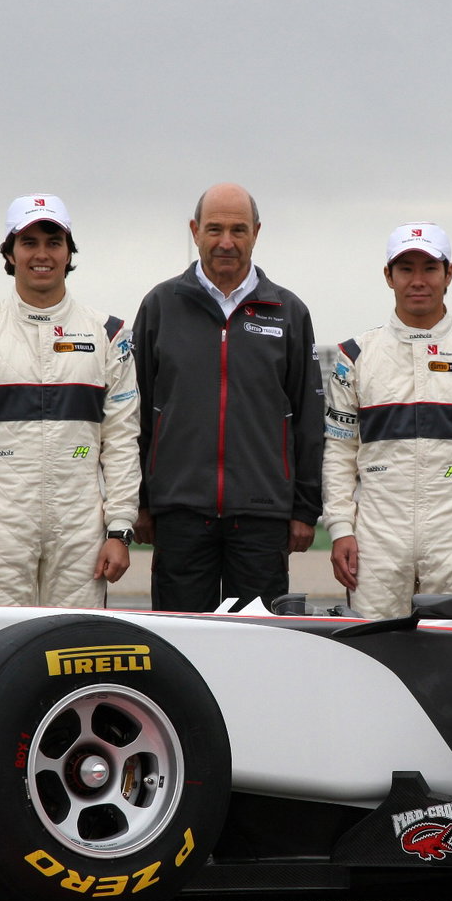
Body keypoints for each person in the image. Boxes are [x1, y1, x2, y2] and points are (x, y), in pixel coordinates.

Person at [0, 195, 140, 607]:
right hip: (0, 528)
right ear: (10, 253)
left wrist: (119, 530)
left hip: (81, 528)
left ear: (69, 252)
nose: (42, 254)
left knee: (76, 650)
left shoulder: (109, 333)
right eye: (29, 242)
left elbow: (121, 439)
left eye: (53, 241)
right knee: (0, 652)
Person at [131, 182, 324, 611]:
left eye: (238, 230)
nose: (226, 242)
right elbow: (135, 414)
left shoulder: (289, 312)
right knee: (182, 642)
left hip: (261, 516)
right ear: (194, 230)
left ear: (256, 232)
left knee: (259, 645)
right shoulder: (160, 307)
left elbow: (309, 417)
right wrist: (140, 501)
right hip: (179, 512)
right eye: (214, 229)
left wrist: (304, 508)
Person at [323, 223, 452, 620]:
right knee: (375, 655)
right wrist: (341, 528)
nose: (418, 280)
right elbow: (339, 451)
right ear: (388, 276)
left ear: (449, 274)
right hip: (377, 542)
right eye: (406, 269)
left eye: (429, 268)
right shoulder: (355, 356)